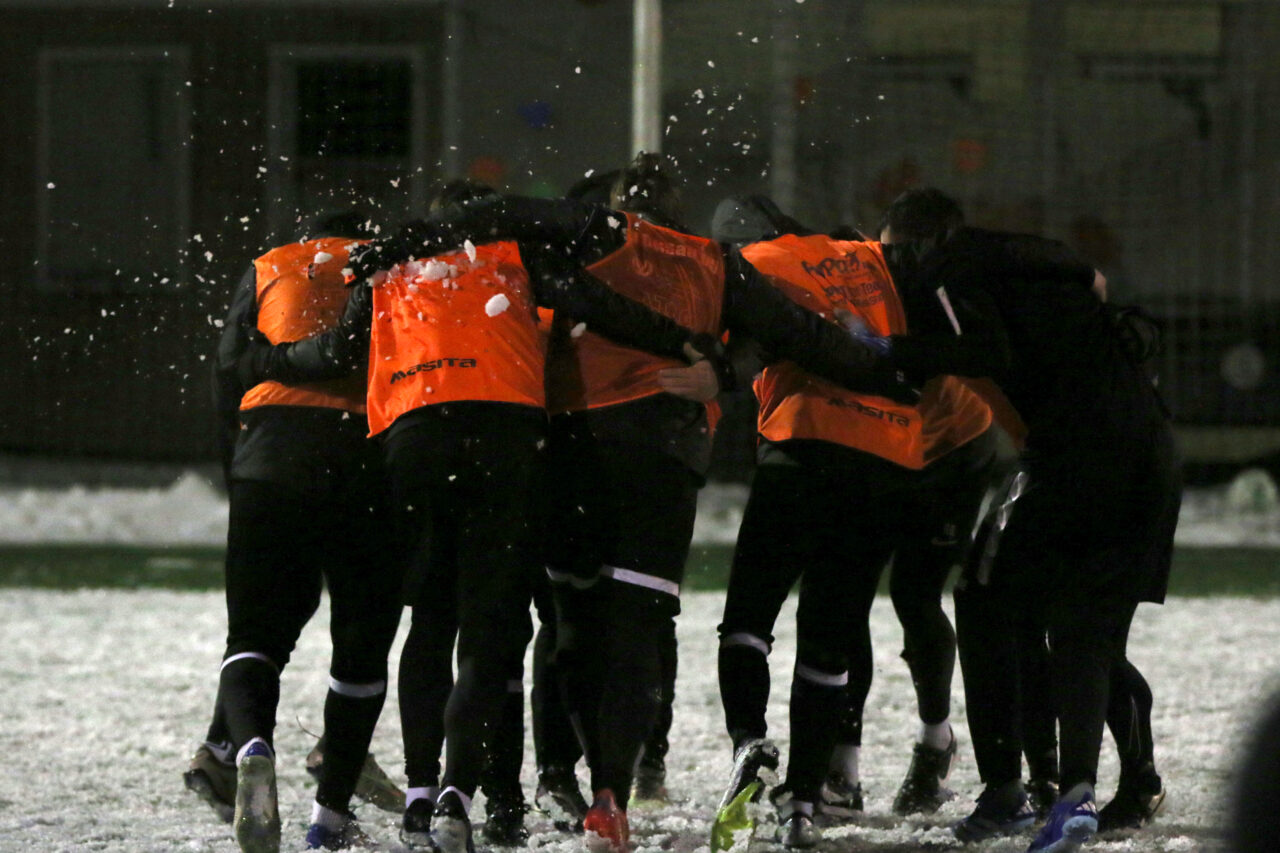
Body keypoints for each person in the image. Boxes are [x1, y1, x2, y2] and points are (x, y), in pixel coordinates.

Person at [336, 153, 917, 853]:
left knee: (562, 622)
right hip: (666, 463)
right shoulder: (715, 261)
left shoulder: (600, 232)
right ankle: (613, 792)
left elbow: (503, 218)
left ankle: (537, 774)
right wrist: (883, 371)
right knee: (639, 627)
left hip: (578, 445)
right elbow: (803, 334)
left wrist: (405, 241)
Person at [237, 177, 727, 853]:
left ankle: (410, 794)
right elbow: (601, 305)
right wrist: (684, 343)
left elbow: (338, 353)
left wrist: (261, 362)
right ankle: (459, 798)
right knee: (495, 629)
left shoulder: (389, 261)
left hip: (412, 431)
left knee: (430, 619)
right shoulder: (515, 258)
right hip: (505, 432)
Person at [874, 187, 1181, 853]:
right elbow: (1076, 276)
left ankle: (1014, 790)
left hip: (1079, 456)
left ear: (918, 244)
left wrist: (891, 348)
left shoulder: (946, 271)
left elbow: (986, 351)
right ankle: (1104, 784)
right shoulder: (1026, 259)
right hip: (1146, 455)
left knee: (986, 597)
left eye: (889, 251)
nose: (887, 266)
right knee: (1086, 628)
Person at [698, 195, 997, 849]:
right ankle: (807, 797)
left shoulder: (749, 266)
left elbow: (756, 344)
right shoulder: (862, 254)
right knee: (832, 634)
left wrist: (711, 372)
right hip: (893, 457)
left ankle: (751, 740)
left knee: (748, 621)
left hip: (805, 446)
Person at [192, 208, 407, 853]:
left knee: (252, 634)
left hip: (270, 451)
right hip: (365, 452)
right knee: (362, 647)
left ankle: (246, 744)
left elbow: (229, 369)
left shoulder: (269, 266)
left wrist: (237, 459)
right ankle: (331, 812)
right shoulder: (392, 267)